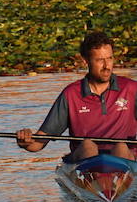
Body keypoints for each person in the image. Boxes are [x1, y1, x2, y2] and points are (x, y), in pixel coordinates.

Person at [17, 30, 137, 164]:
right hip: (85, 161)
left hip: (125, 161)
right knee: (88, 145)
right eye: (99, 60)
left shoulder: (131, 88)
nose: (106, 66)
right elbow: (37, 144)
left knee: (120, 146)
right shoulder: (71, 94)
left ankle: (118, 181)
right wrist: (25, 141)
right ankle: (97, 179)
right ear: (86, 61)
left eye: (109, 58)